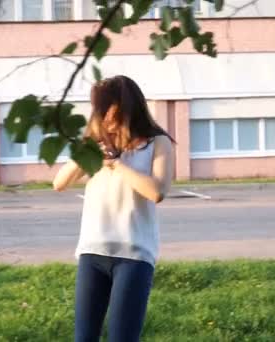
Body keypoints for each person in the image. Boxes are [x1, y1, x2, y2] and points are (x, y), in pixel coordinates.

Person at [52, 75, 175, 342]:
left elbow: (156, 191)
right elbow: (59, 183)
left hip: (134, 254)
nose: (104, 115)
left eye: (108, 107)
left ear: (126, 105)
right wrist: (89, 153)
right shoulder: (95, 145)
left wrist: (117, 163)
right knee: (84, 338)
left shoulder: (157, 143)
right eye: (99, 109)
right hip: (92, 252)